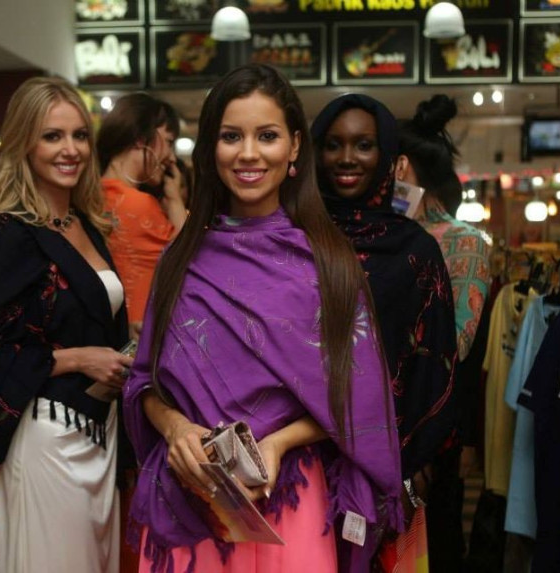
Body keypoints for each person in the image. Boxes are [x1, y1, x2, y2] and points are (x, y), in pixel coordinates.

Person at [123, 64, 403, 573]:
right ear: (211, 147)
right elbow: (144, 381)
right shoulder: (180, 257)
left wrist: (277, 443)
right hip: (193, 496)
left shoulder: (329, 263)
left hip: (290, 502)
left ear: (294, 146)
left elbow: (358, 396)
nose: (249, 153)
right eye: (232, 136)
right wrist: (177, 429)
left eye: (267, 136)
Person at [0, 76, 133, 572]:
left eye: (79, 135)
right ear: (24, 144)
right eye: (53, 136)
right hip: (46, 441)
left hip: (99, 433)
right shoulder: (15, 233)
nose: (70, 149)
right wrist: (76, 358)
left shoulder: (86, 223)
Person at [311, 94, 458, 569]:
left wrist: (411, 467)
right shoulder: (292, 240)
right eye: (333, 145)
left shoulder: (416, 251)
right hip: (298, 459)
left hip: (392, 465)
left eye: (363, 145)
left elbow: (435, 360)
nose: (347, 158)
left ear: (388, 157)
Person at [396, 94, 491, 572]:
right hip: (376, 420)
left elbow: (460, 343)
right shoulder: (378, 232)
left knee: (437, 538)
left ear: (404, 167)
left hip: (433, 423)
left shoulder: (464, 241)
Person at [98, 93, 188, 341]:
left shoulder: (92, 196)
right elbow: (193, 258)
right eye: (168, 142)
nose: (170, 157)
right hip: (146, 336)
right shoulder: (139, 204)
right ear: (140, 139)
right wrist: (175, 201)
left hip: (110, 332)